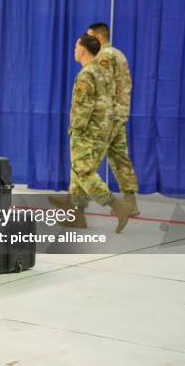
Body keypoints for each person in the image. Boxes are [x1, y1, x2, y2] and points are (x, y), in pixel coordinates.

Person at [50, 35, 133, 233]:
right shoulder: (103, 72)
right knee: (77, 173)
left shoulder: (86, 74)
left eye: (75, 46)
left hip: (86, 132)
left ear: (84, 50)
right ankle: (77, 216)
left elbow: (83, 107)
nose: (74, 50)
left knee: (83, 172)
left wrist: (75, 130)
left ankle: (117, 207)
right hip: (102, 130)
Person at [87, 22, 140, 215]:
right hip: (119, 114)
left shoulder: (104, 56)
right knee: (119, 158)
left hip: (107, 117)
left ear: (99, 38)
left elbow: (102, 87)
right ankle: (130, 201)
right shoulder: (118, 54)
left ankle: (76, 207)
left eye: (90, 37)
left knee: (87, 159)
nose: (86, 41)